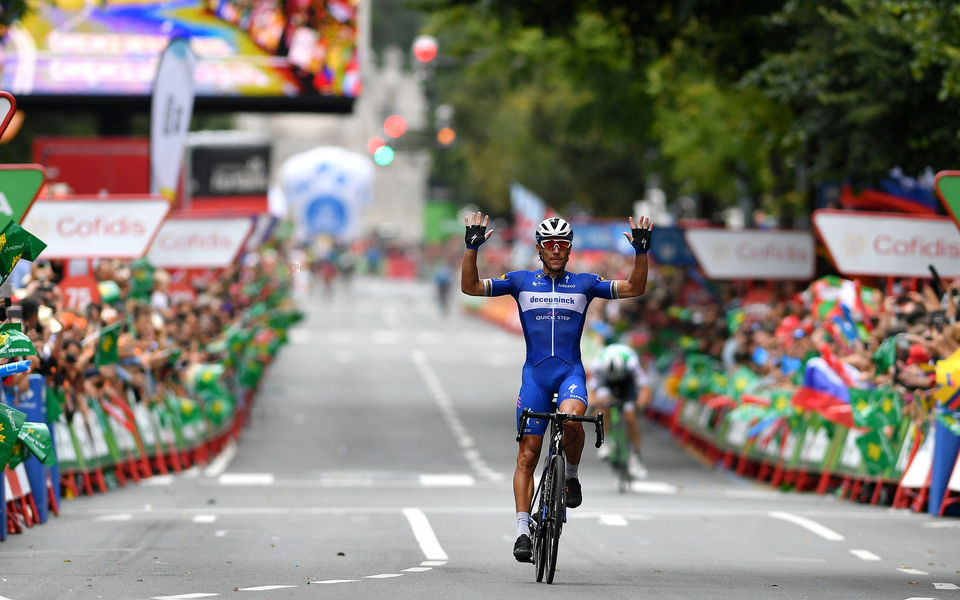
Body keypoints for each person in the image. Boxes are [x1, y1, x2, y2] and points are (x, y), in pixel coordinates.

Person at [460, 212, 653, 563]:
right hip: (534, 375)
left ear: (569, 249)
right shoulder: (519, 281)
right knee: (528, 455)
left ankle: (572, 477)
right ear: (538, 249)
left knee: (572, 418)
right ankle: (521, 530)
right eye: (550, 244)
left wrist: (641, 253)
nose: (556, 250)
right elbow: (471, 288)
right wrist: (471, 249)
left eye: (562, 245)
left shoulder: (585, 283)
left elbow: (634, 288)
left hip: (570, 374)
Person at [587, 343, 651, 479]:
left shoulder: (631, 363)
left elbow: (645, 389)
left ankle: (636, 455)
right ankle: (606, 441)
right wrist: (594, 405)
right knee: (602, 404)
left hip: (627, 383)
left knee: (630, 417)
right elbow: (591, 392)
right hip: (606, 383)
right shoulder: (599, 364)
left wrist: (639, 405)